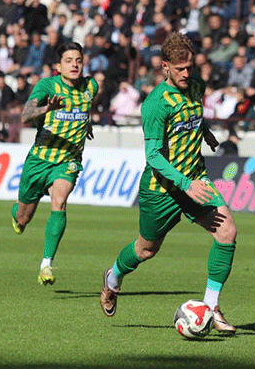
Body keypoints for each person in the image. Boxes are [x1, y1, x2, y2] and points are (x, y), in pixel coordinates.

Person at [100, 34, 239, 335]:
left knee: (227, 231)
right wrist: (183, 184)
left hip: (195, 179)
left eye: (189, 67)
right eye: (180, 69)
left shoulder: (196, 87)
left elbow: (194, 116)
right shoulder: (155, 104)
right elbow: (153, 156)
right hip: (162, 187)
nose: (187, 74)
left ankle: (212, 306)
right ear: (164, 67)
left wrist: (206, 133)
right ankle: (112, 278)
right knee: (146, 249)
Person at [10, 42, 100, 286]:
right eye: (69, 60)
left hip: (68, 160)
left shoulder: (91, 86)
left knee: (59, 201)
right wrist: (46, 108)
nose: (74, 64)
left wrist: (86, 125)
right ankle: (17, 214)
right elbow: (25, 116)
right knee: (22, 220)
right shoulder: (47, 86)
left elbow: (84, 108)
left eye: (78, 60)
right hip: (39, 161)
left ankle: (46, 265)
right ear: (58, 66)